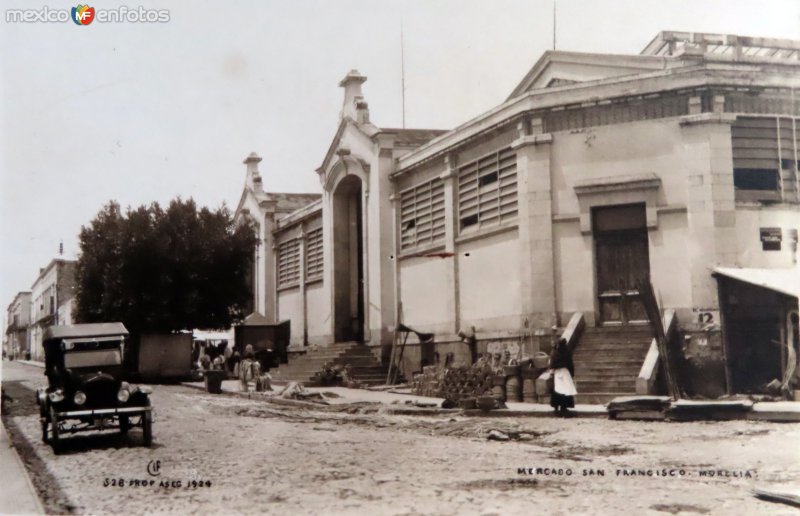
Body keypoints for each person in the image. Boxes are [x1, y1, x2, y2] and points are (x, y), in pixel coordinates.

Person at [549, 338, 577, 417]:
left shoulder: (554, 352)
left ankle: (556, 407)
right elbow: (570, 364)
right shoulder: (567, 352)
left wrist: (551, 372)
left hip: (557, 373)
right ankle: (564, 407)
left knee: (557, 389)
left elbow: (552, 364)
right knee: (566, 390)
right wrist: (571, 374)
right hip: (565, 372)